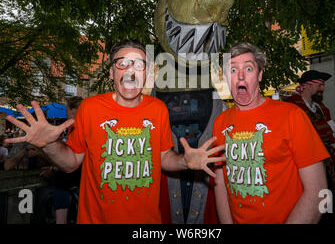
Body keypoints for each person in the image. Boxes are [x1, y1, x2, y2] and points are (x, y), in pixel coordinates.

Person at [5, 39, 225, 224]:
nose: (131, 71)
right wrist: (50, 144)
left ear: (147, 74)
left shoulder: (158, 108)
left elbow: (164, 157)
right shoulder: (90, 108)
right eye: (123, 64)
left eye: (139, 65)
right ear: (111, 72)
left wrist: (185, 162)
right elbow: (70, 163)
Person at [213, 42, 330, 224]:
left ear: (260, 75)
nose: (240, 76)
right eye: (233, 70)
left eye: (249, 69)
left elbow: (318, 190)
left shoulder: (292, 116)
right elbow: (220, 184)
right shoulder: (220, 122)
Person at [285, 70, 335, 217]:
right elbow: (301, 131)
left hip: (327, 164)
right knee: (309, 201)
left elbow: (327, 134)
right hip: (304, 167)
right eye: (320, 85)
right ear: (307, 86)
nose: (322, 89)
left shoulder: (322, 108)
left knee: (327, 201)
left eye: (323, 85)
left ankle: (327, 217)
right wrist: (331, 126)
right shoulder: (292, 106)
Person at [47, 96, 83, 224]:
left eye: (66, 109)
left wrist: (55, 167)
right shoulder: (83, 122)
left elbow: (71, 153)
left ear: (73, 110)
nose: (65, 113)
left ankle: (60, 220)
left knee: (60, 178)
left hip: (80, 169)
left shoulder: (74, 125)